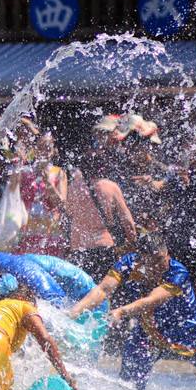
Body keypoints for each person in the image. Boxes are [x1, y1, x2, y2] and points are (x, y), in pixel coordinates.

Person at [69, 234, 196, 390]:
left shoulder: (178, 272)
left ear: (167, 254)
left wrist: (121, 311)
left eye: (161, 259)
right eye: (152, 262)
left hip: (191, 335)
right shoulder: (129, 264)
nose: (158, 266)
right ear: (141, 260)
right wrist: (73, 312)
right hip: (148, 334)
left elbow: (151, 301)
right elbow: (103, 289)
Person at [64, 116, 138, 281]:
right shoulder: (110, 187)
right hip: (103, 246)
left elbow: (69, 212)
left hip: (78, 248)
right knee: (103, 293)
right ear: (103, 165)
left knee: (81, 293)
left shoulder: (73, 188)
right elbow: (128, 223)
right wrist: (133, 244)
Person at [15, 132, 68, 256]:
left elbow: (62, 205)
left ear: (54, 151)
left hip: (50, 235)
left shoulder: (59, 173)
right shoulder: (25, 173)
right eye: (41, 147)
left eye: (48, 147)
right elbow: (13, 199)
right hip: (27, 234)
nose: (45, 150)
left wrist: (48, 183)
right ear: (35, 149)